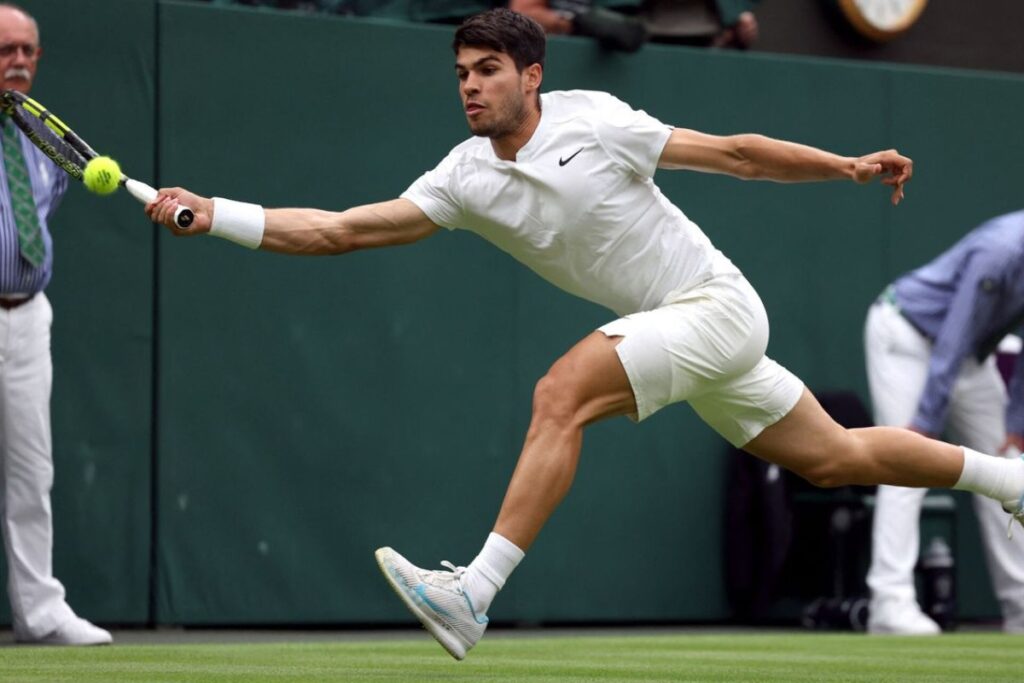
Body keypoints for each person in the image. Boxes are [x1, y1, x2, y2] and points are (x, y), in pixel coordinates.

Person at [146, 9, 1024, 660]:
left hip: (715, 306)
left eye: (488, 69)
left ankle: (472, 591)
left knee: (560, 392)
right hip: (683, 332)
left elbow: (737, 153)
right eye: (461, 72)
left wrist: (845, 165)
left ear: (531, 75)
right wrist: (216, 212)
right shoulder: (461, 176)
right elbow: (340, 228)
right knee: (836, 458)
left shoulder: (594, 120)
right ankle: (1006, 476)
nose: (470, 85)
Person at [0, 3, 112, 646]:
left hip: (27, 318)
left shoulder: (45, 138)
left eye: (26, 51)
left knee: (31, 472)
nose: (17, 61)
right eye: (4, 50)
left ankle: (40, 612)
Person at [864, 211, 1024, 635]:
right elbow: (955, 332)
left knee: (1010, 475)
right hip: (905, 335)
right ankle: (890, 603)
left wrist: (1017, 424)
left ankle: (1022, 608)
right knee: (904, 467)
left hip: (966, 357)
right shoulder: (1002, 251)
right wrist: (925, 421)